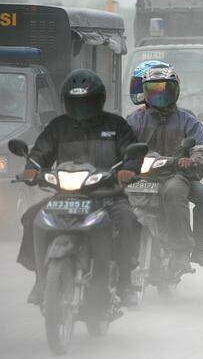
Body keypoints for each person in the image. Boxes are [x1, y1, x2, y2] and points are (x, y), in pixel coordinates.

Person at [18, 69, 142, 306]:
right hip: (66, 194)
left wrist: (129, 169)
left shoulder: (116, 124)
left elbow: (131, 152)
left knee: (128, 222)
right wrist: (31, 168)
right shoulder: (58, 126)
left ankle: (125, 282)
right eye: (75, 103)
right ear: (66, 102)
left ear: (98, 101)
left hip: (108, 196)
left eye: (86, 103)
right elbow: (39, 152)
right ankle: (41, 279)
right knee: (31, 217)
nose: (81, 108)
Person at [129, 61, 203, 268]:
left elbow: (202, 148)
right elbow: (119, 144)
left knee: (189, 194)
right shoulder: (135, 120)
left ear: (175, 91)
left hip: (175, 174)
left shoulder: (187, 120)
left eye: (165, 90)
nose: (159, 96)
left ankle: (185, 251)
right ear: (144, 93)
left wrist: (193, 161)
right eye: (153, 91)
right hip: (141, 175)